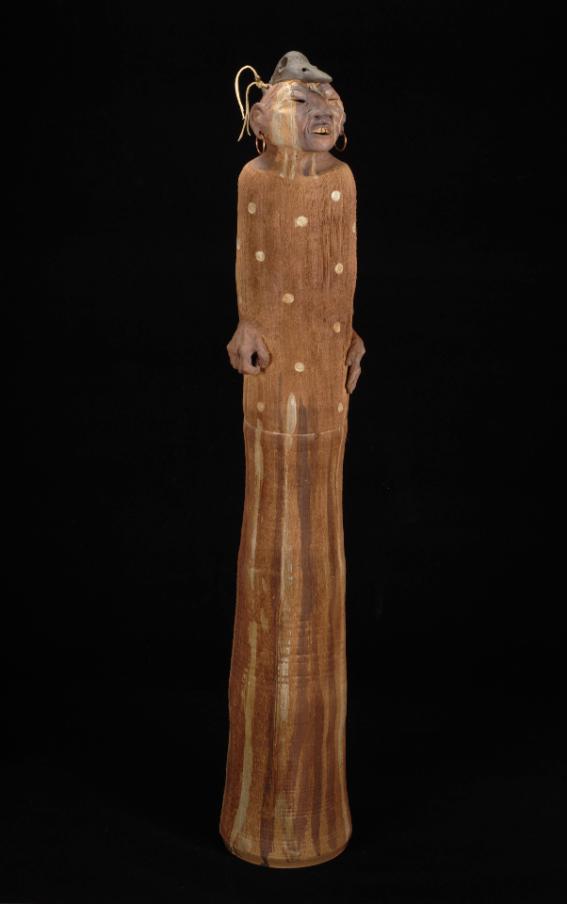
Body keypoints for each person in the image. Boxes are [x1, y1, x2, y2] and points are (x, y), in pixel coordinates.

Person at [220, 51, 366, 868]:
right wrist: (246, 325)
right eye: (303, 101)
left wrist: (351, 336)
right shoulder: (253, 183)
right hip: (274, 385)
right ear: (260, 115)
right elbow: (252, 267)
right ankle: (260, 815)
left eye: (329, 102)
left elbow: (343, 276)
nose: (322, 113)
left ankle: (317, 813)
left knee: (321, 553)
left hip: (326, 388)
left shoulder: (341, 183)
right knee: (273, 551)